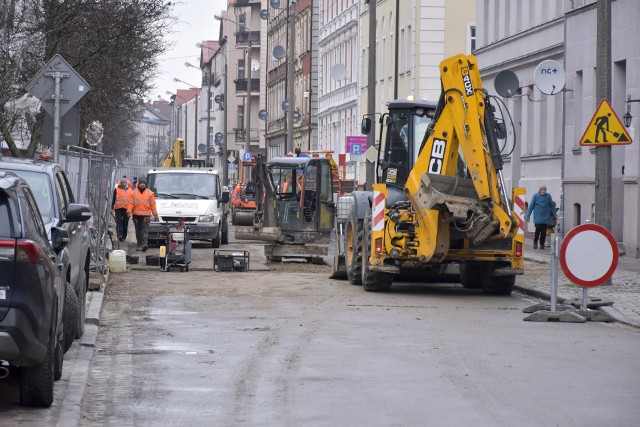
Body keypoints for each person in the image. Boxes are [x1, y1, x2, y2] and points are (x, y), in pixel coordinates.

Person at [127, 177, 158, 251]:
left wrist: (155, 214)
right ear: (138, 184)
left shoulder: (150, 193)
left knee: (144, 230)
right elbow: (130, 203)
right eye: (141, 183)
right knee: (138, 230)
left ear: (146, 184)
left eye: (144, 183)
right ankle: (139, 245)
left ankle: (144, 244)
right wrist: (129, 211)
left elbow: (153, 205)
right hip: (136, 216)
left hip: (146, 216)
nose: (142, 185)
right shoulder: (133, 193)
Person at [525, 185, 557, 250]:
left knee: (543, 232)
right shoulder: (535, 196)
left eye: (545, 190)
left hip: (545, 217)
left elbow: (552, 206)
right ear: (539, 190)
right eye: (542, 190)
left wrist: (555, 214)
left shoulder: (548, 196)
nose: (543, 191)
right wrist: (527, 216)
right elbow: (531, 207)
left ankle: (542, 244)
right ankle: (535, 242)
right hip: (537, 217)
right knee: (538, 230)